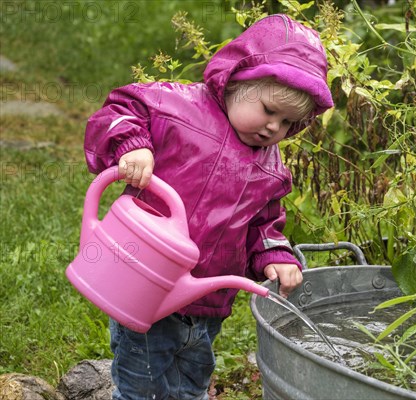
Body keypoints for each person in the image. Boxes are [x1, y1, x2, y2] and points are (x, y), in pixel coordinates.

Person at [83, 13, 333, 400]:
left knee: (192, 383)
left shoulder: (271, 169)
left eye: (287, 123)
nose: (273, 128)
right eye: (268, 110)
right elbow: (121, 108)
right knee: (142, 387)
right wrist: (134, 145)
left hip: (207, 304)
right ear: (237, 81)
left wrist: (275, 254)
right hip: (144, 287)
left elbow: (263, 225)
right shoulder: (176, 108)